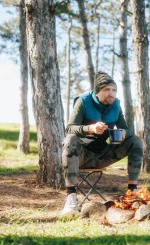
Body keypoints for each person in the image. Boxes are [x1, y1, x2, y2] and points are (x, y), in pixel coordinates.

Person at [61, 71, 143, 215]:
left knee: (135, 140)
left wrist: (124, 133)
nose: (111, 94)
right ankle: (71, 198)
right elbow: (69, 128)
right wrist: (90, 128)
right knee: (70, 139)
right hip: (81, 156)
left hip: (103, 155)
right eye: (106, 90)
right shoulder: (83, 101)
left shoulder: (116, 104)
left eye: (114, 90)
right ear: (97, 91)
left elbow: (127, 130)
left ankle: (132, 191)